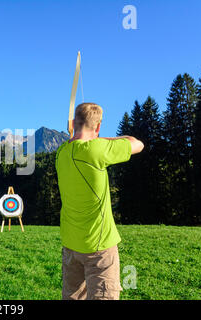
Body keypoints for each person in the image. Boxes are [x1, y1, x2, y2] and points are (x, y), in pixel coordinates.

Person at [55, 102, 144, 300]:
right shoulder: (95, 150)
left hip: (71, 244)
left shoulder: (61, 153)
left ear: (73, 122)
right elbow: (137, 143)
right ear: (98, 127)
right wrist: (98, 137)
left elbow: (76, 142)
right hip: (100, 247)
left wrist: (81, 135)